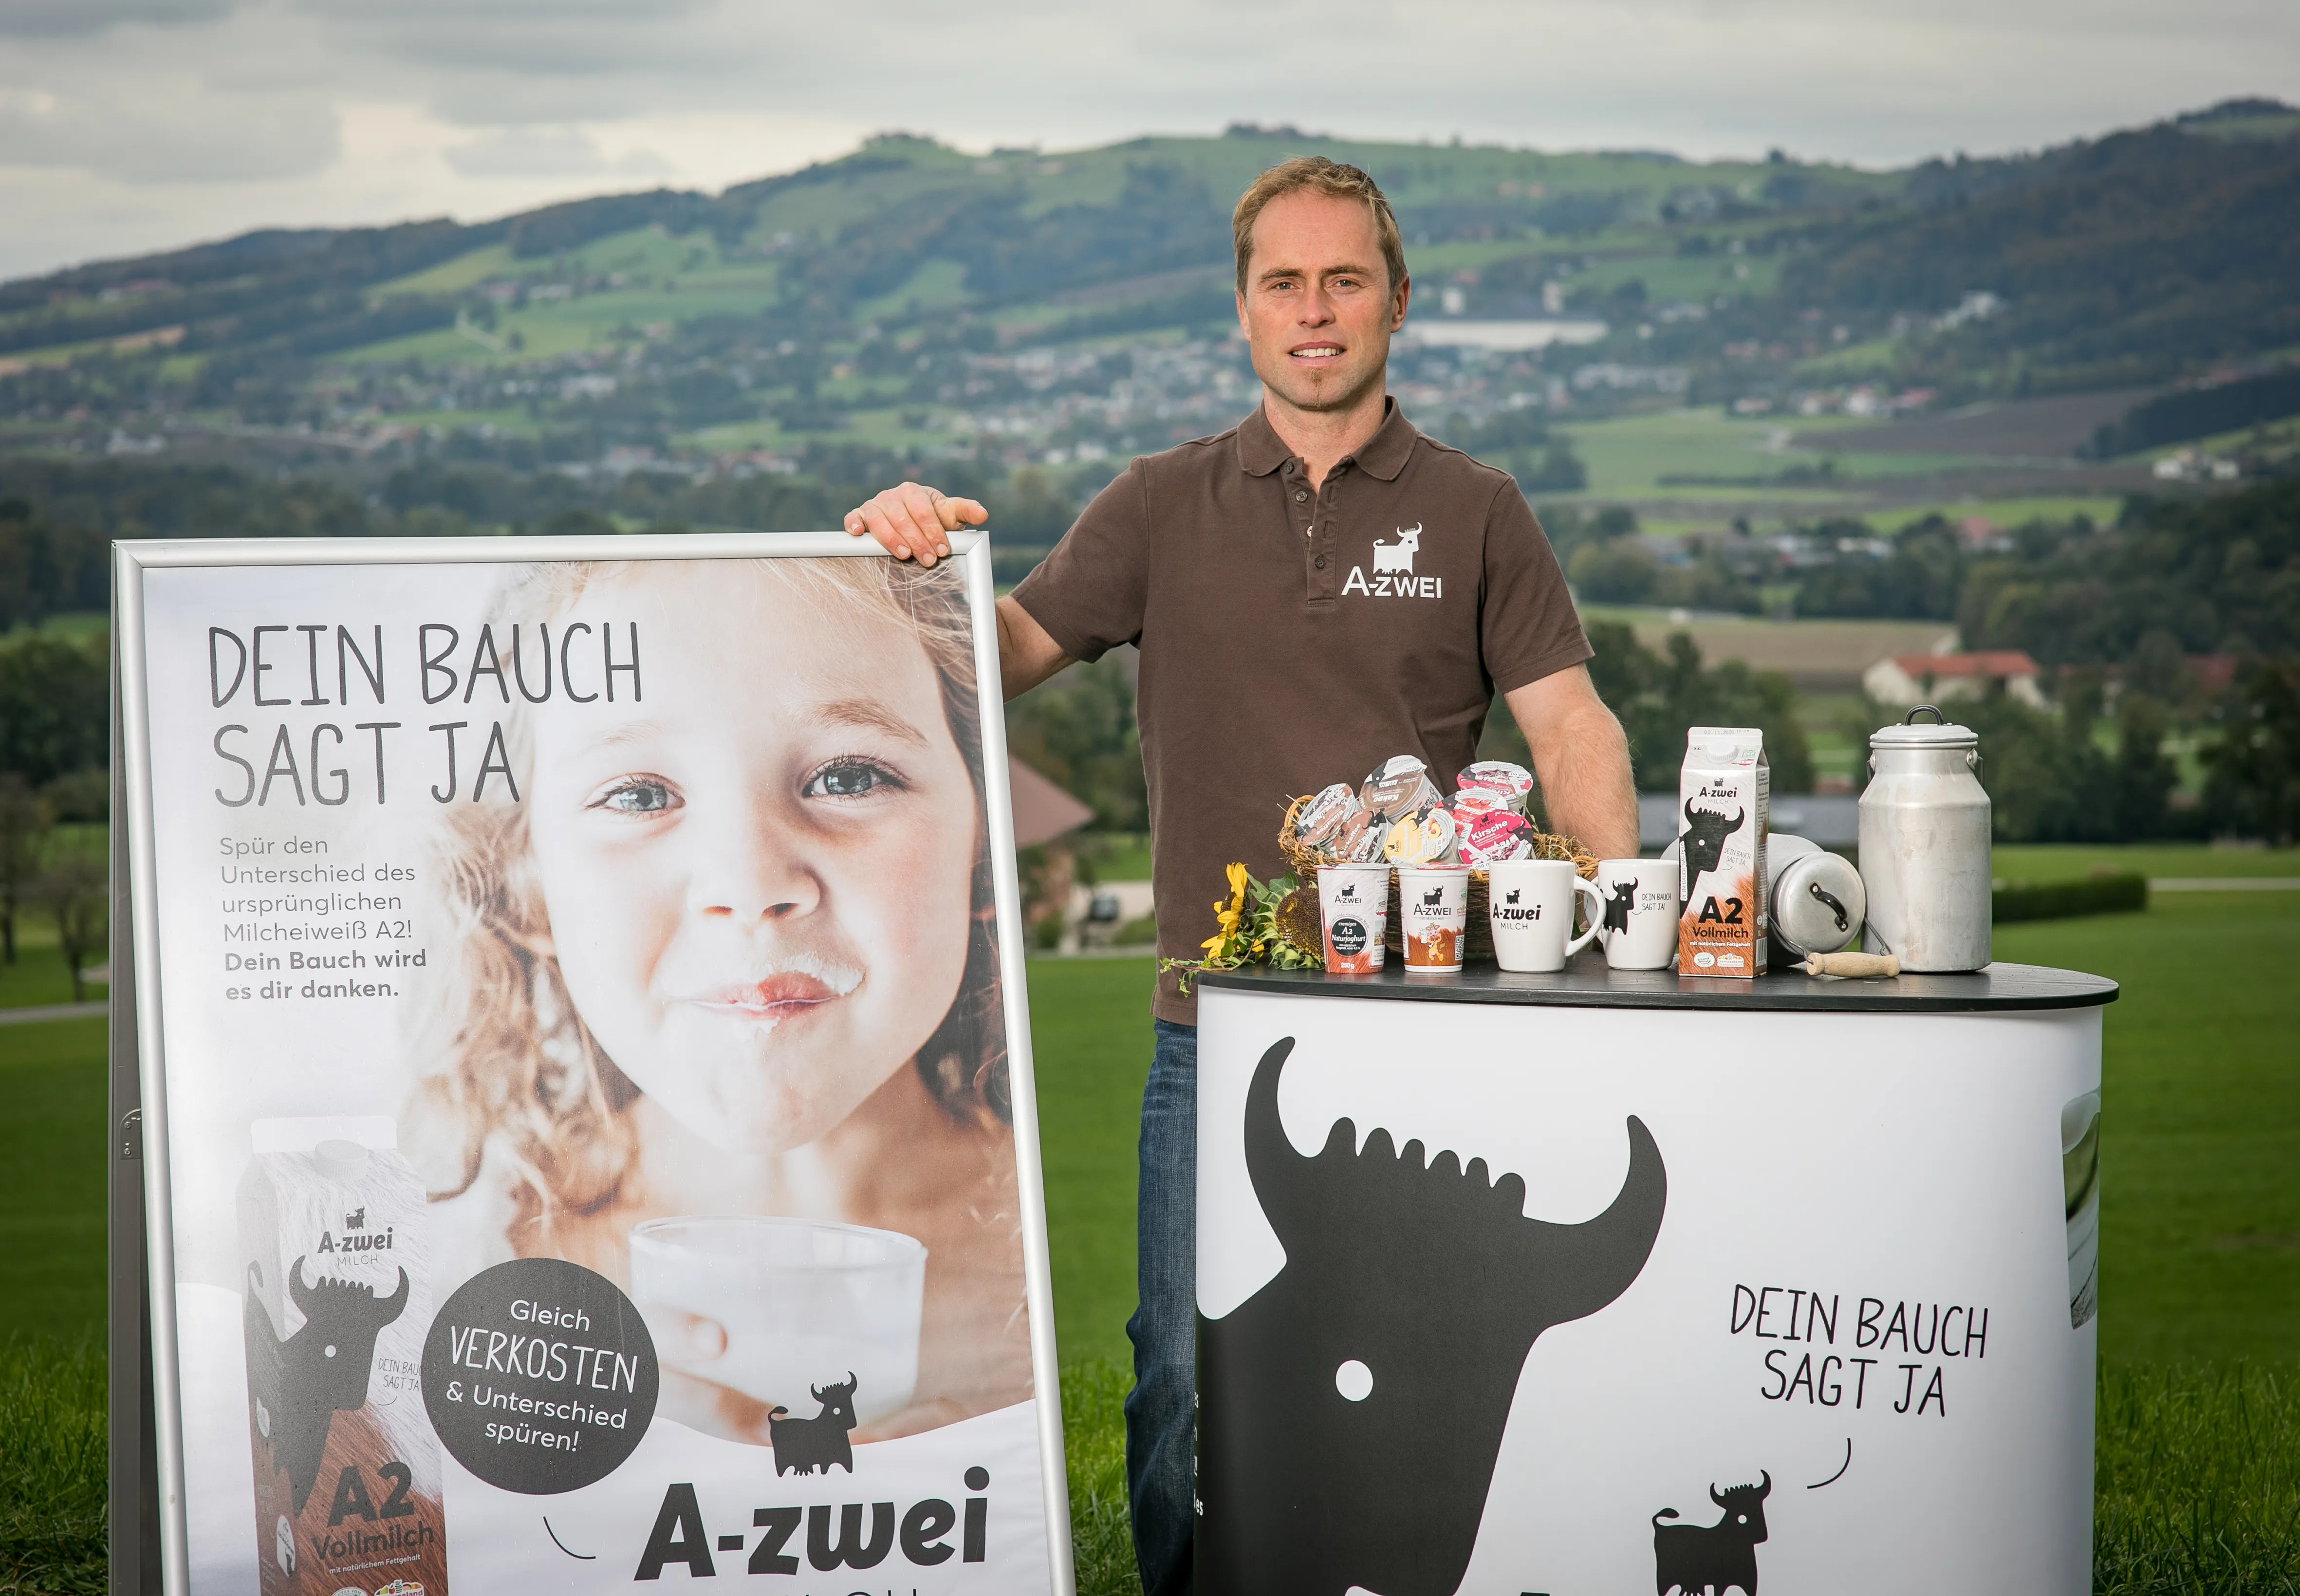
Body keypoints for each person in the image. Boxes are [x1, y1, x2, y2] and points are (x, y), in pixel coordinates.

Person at [844, 156, 1639, 1594]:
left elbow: (1570, 723)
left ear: (1398, 301)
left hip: (1427, 1024)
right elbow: (999, 658)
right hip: (1207, 1032)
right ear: (1242, 311)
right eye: (1284, 282)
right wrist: (910, 561)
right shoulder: (1160, 503)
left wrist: (1616, 929)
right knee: (1184, 1382)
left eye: (1345, 279)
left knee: (1423, 1370)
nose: (1314, 310)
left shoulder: (1475, 508)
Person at [405, 554, 1033, 1446]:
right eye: (638, 794)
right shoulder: (442, 1283)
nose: (749, 884)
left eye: (850, 777)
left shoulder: (1080, 1265)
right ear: (527, 887)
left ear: (983, 842)